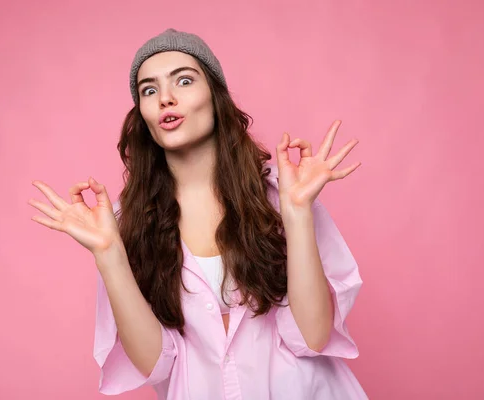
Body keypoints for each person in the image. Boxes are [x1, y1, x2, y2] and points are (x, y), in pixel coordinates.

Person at [29, 28, 366, 399]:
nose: (166, 99)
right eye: (149, 90)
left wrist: (298, 213)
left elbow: (313, 337)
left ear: (215, 96)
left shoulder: (282, 191)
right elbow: (155, 364)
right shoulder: (126, 221)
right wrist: (109, 255)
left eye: (184, 81)